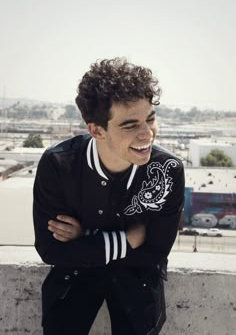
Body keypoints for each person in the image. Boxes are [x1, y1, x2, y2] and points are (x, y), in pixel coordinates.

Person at [33, 58, 185, 335]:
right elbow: (50, 249)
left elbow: (155, 252)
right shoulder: (59, 164)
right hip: (74, 278)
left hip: (137, 281)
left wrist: (84, 239)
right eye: (129, 125)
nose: (146, 134)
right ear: (96, 130)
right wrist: (129, 239)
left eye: (150, 119)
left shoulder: (168, 169)